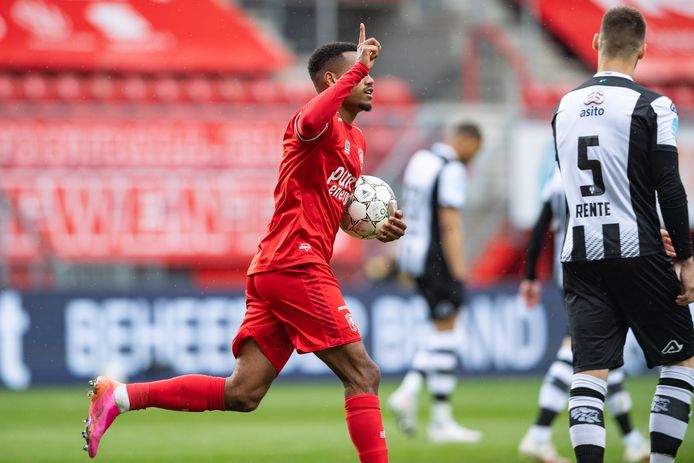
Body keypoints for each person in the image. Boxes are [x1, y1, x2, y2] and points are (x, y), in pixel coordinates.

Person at [82, 24, 407, 463]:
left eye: (369, 72)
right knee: (363, 374)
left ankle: (118, 397)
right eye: (359, 72)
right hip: (297, 264)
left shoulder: (356, 140)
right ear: (333, 80)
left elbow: (328, 201)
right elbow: (313, 118)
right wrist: (359, 66)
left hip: (277, 267)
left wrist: (374, 227)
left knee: (243, 391)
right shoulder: (311, 124)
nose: (370, 79)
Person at [552, 6, 694, 463]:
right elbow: (667, 185)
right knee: (680, 361)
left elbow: (575, 184)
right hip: (637, 250)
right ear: (643, 50)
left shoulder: (564, 106)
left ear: (596, 43)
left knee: (588, 373)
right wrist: (686, 256)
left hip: (579, 253)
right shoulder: (655, 105)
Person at [518, 168, 654, 463]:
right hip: (594, 270)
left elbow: (542, 225)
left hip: (566, 270)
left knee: (606, 359)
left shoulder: (558, 172)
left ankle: (632, 441)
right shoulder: (600, 162)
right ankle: (538, 434)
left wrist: (529, 276)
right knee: (578, 352)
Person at [387, 122, 483, 443]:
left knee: (441, 330)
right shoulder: (451, 169)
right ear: (467, 141)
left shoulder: (420, 159)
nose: (475, 157)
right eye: (476, 149)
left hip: (413, 255)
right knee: (447, 332)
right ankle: (422, 401)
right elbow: (449, 223)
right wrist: (459, 270)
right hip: (437, 258)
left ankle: (430, 409)